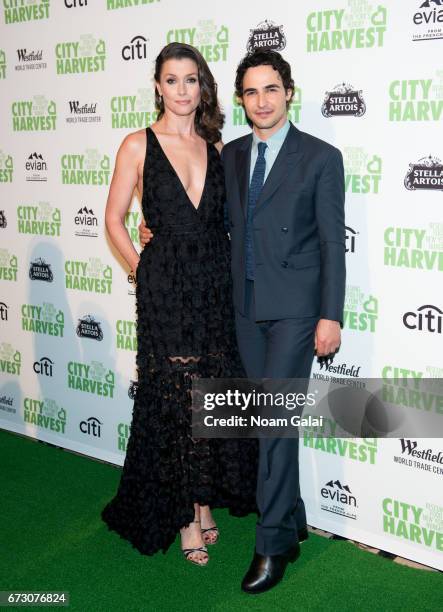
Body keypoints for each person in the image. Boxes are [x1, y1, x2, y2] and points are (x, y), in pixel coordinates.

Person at [140, 49, 346, 592]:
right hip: (242, 308)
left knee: (276, 422)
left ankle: (272, 542)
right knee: (261, 422)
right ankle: (295, 515)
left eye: (271, 89)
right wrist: (152, 237)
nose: (262, 101)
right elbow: (202, 221)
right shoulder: (227, 155)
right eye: (251, 92)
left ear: (288, 92)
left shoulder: (321, 157)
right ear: (240, 99)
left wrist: (331, 315)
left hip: (297, 312)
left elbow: (332, 243)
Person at [101, 42, 257, 567]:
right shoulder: (137, 145)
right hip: (166, 287)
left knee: (211, 389)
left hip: (215, 283)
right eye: (172, 80)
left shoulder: (217, 149)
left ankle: (205, 500)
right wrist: (140, 270)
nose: (182, 90)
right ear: (158, 87)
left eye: (191, 80)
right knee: (177, 393)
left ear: (203, 86)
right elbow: (114, 219)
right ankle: (187, 515)